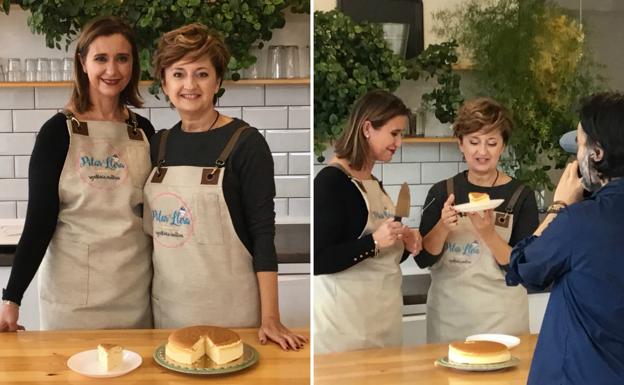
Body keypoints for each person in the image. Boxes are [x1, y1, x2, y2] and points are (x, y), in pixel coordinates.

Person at [146, 23, 306, 350]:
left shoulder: (246, 144)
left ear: (218, 81)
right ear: (163, 82)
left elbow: (263, 234)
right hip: (168, 313)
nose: (189, 84)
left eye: (201, 74)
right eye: (178, 74)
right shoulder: (157, 145)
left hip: (231, 315)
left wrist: (271, 316)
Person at [0, 16, 155, 331]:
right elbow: (40, 220)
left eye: (122, 58)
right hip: (73, 301)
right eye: (101, 58)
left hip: (135, 291)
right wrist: (11, 299)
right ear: (83, 62)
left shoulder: (144, 131)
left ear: (133, 65)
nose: (112, 70)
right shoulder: (58, 132)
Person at [506, 92, 624, 385]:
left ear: (597, 154)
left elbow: (524, 268)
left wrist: (559, 206)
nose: (577, 154)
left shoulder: (580, 222)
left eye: (581, 144)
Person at [415, 97, 539, 343]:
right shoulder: (442, 192)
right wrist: (442, 227)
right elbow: (423, 258)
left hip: (504, 323)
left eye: (492, 143)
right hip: (449, 322)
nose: (482, 152)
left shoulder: (520, 196)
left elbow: (525, 267)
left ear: (502, 146)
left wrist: (489, 233)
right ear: (460, 144)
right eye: (474, 142)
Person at [314, 89, 423, 354]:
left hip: (383, 320)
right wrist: (374, 241)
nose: (398, 142)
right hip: (345, 328)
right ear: (367, 128)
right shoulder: (332, 182)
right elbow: (320, 260)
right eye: (394, 133)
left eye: (401, 135)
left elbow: (379, 256)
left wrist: (404, 244)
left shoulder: (372, 182)